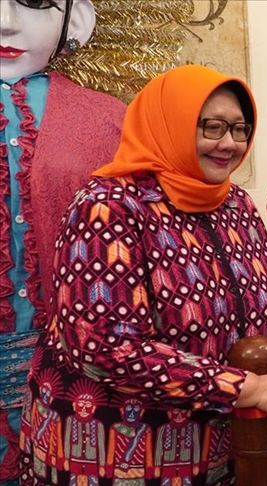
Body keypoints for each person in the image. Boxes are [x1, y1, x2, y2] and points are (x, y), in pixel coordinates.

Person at [17, 64, 267, 486]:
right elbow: (103, 346)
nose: (228, 143)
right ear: (168, 122)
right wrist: (244, 389)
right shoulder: (110, 206)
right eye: (211, 127)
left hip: (216, 446)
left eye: (240, 128)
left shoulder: (238, 205)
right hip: (112, 455)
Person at [0, 1, 126, 484]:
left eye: (33, 1)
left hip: (78, 364)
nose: (6, 22)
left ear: (77, 18)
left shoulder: (110, 122)